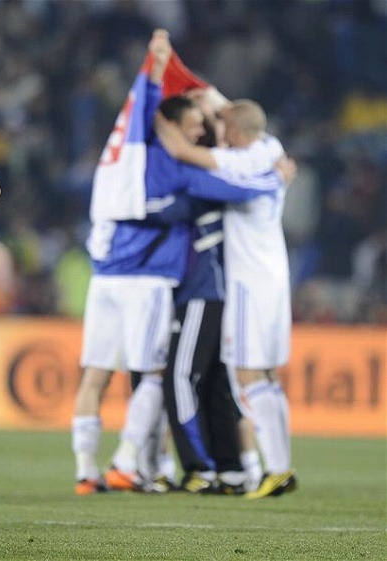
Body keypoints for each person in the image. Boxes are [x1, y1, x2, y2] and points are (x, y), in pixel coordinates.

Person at [72, 30, 291, 495]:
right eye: (193, 124)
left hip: (128, 276)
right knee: (170, 376)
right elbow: (224, 170)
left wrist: (162, 78)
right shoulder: (205, 164)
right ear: (171, 124)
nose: (201, 130)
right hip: (160, 280)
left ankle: (117, 468)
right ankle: (150, 463)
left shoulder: (128, 165)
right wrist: (275, 182)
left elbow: (226, 127)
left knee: (138, 376)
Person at [156, 98, 299, 498]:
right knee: (268, 375)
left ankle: (275, 469)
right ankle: (281, 467)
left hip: (249, 281)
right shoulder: (270, 148)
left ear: (234, 132)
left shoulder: (237, 162)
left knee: (248, 376)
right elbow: (242, 114)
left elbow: (180, 150)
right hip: (276, 275)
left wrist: (155, 111)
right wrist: (210, 98)